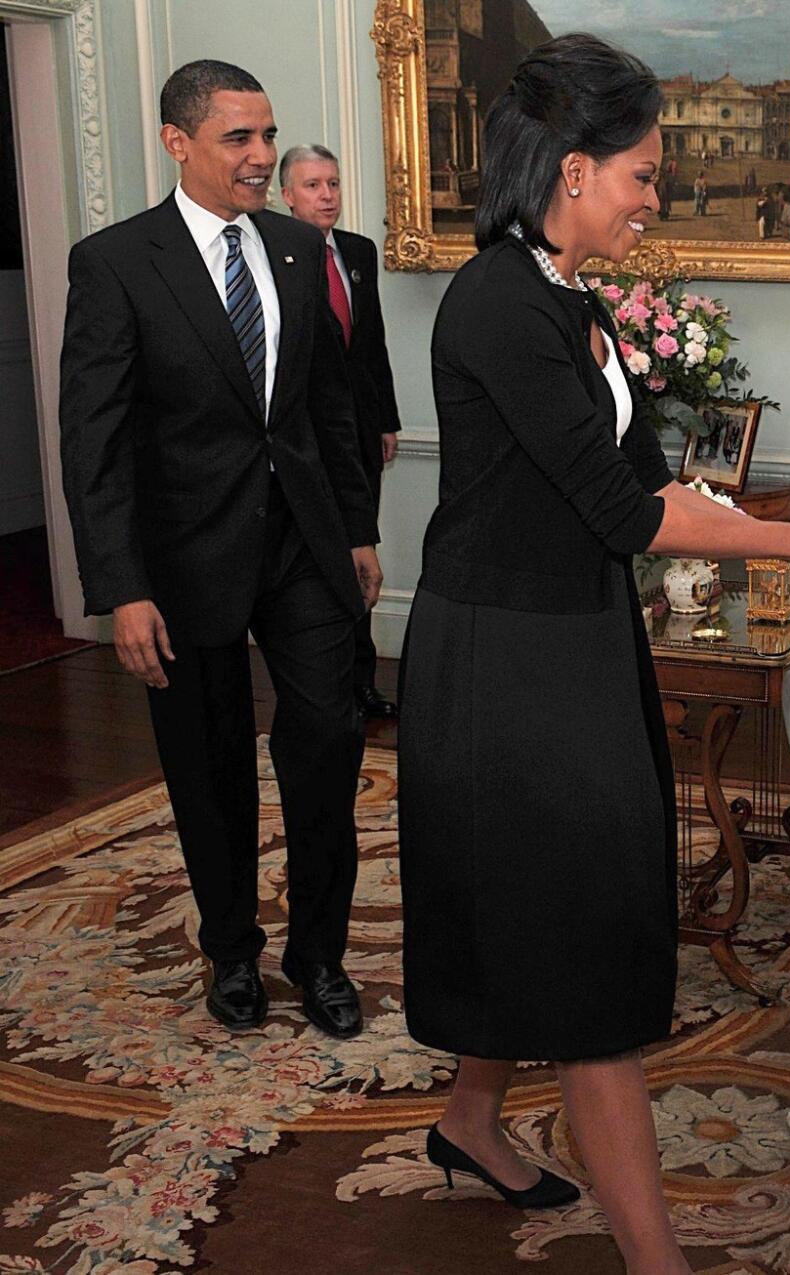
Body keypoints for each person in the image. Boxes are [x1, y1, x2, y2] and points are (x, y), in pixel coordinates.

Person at [396, 34, 790, 1275]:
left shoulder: (565, 297)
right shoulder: (500, 304)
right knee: (578, 945)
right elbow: (627, 515)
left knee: (537, 906)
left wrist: (749, 527)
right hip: (507, 658)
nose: (652, 198)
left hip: (571, 638)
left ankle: (468, 1119)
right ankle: (654, 1260)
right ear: (573, 170)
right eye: (643, 175)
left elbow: (626, 479)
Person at [58, 59, 379, 1041]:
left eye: (267, 134)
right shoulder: (115, 261)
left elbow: (330, 405)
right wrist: (122, 588)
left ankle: (318, 955)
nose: (261, 156)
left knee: (326, 737)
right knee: (208, 764)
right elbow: (95, 441)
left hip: (304, 547)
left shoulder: (296, 246)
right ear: (177, 142)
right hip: (183, 560)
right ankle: (231, 951)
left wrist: (358, 527)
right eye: (238, 137)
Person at [279, 143, 403, 720]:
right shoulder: (275, 257)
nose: (326, 195)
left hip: (359, 433)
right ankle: (324, 682)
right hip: (305, 440)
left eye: (332, 183)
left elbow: (370, 343)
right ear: (286, 195)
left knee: (362, 553)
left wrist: (386, 419)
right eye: (312, 185)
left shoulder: (357, 251)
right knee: (322, 561)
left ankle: (362, 681)